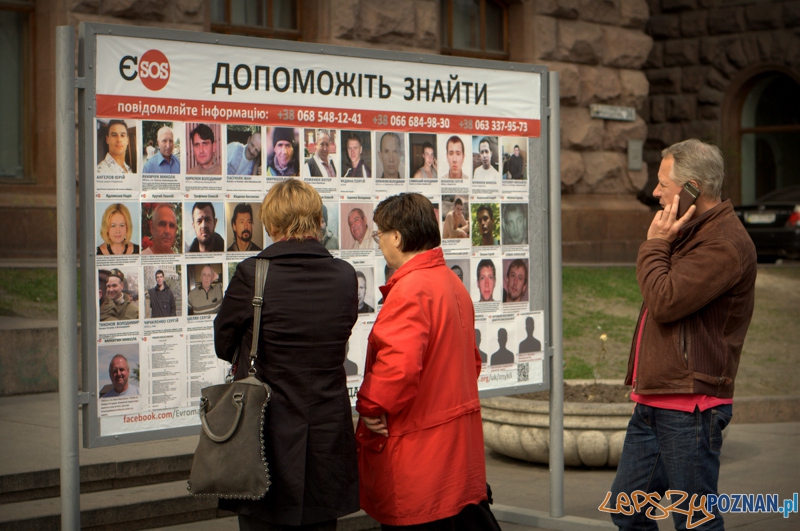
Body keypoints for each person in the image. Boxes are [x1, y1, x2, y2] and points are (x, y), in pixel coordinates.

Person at [608, 139, 757, 531]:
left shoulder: (723, 242)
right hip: (656, 398)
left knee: (694, 522)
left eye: (662, 184)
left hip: (691, 405)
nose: (655, 193)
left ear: (692, 188)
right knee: (628, 509)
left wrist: (655, 244)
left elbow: (665, 300)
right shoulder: (689, 230)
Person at [214, 178, 359, 530]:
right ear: (317, 220)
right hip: (327, 431)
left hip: (266, 435)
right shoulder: (344, 275)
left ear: (272, 223)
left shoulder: (253, 274)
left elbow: (223, 343)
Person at [356, 193, 499, 529]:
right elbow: (471, 363)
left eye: (379, 235)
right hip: (452, 448)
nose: (379, 243)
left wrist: (371, 407)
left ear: (397, 237)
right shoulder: (450, 282)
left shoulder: (410, 290)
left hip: (419, 455)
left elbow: (398, 369)